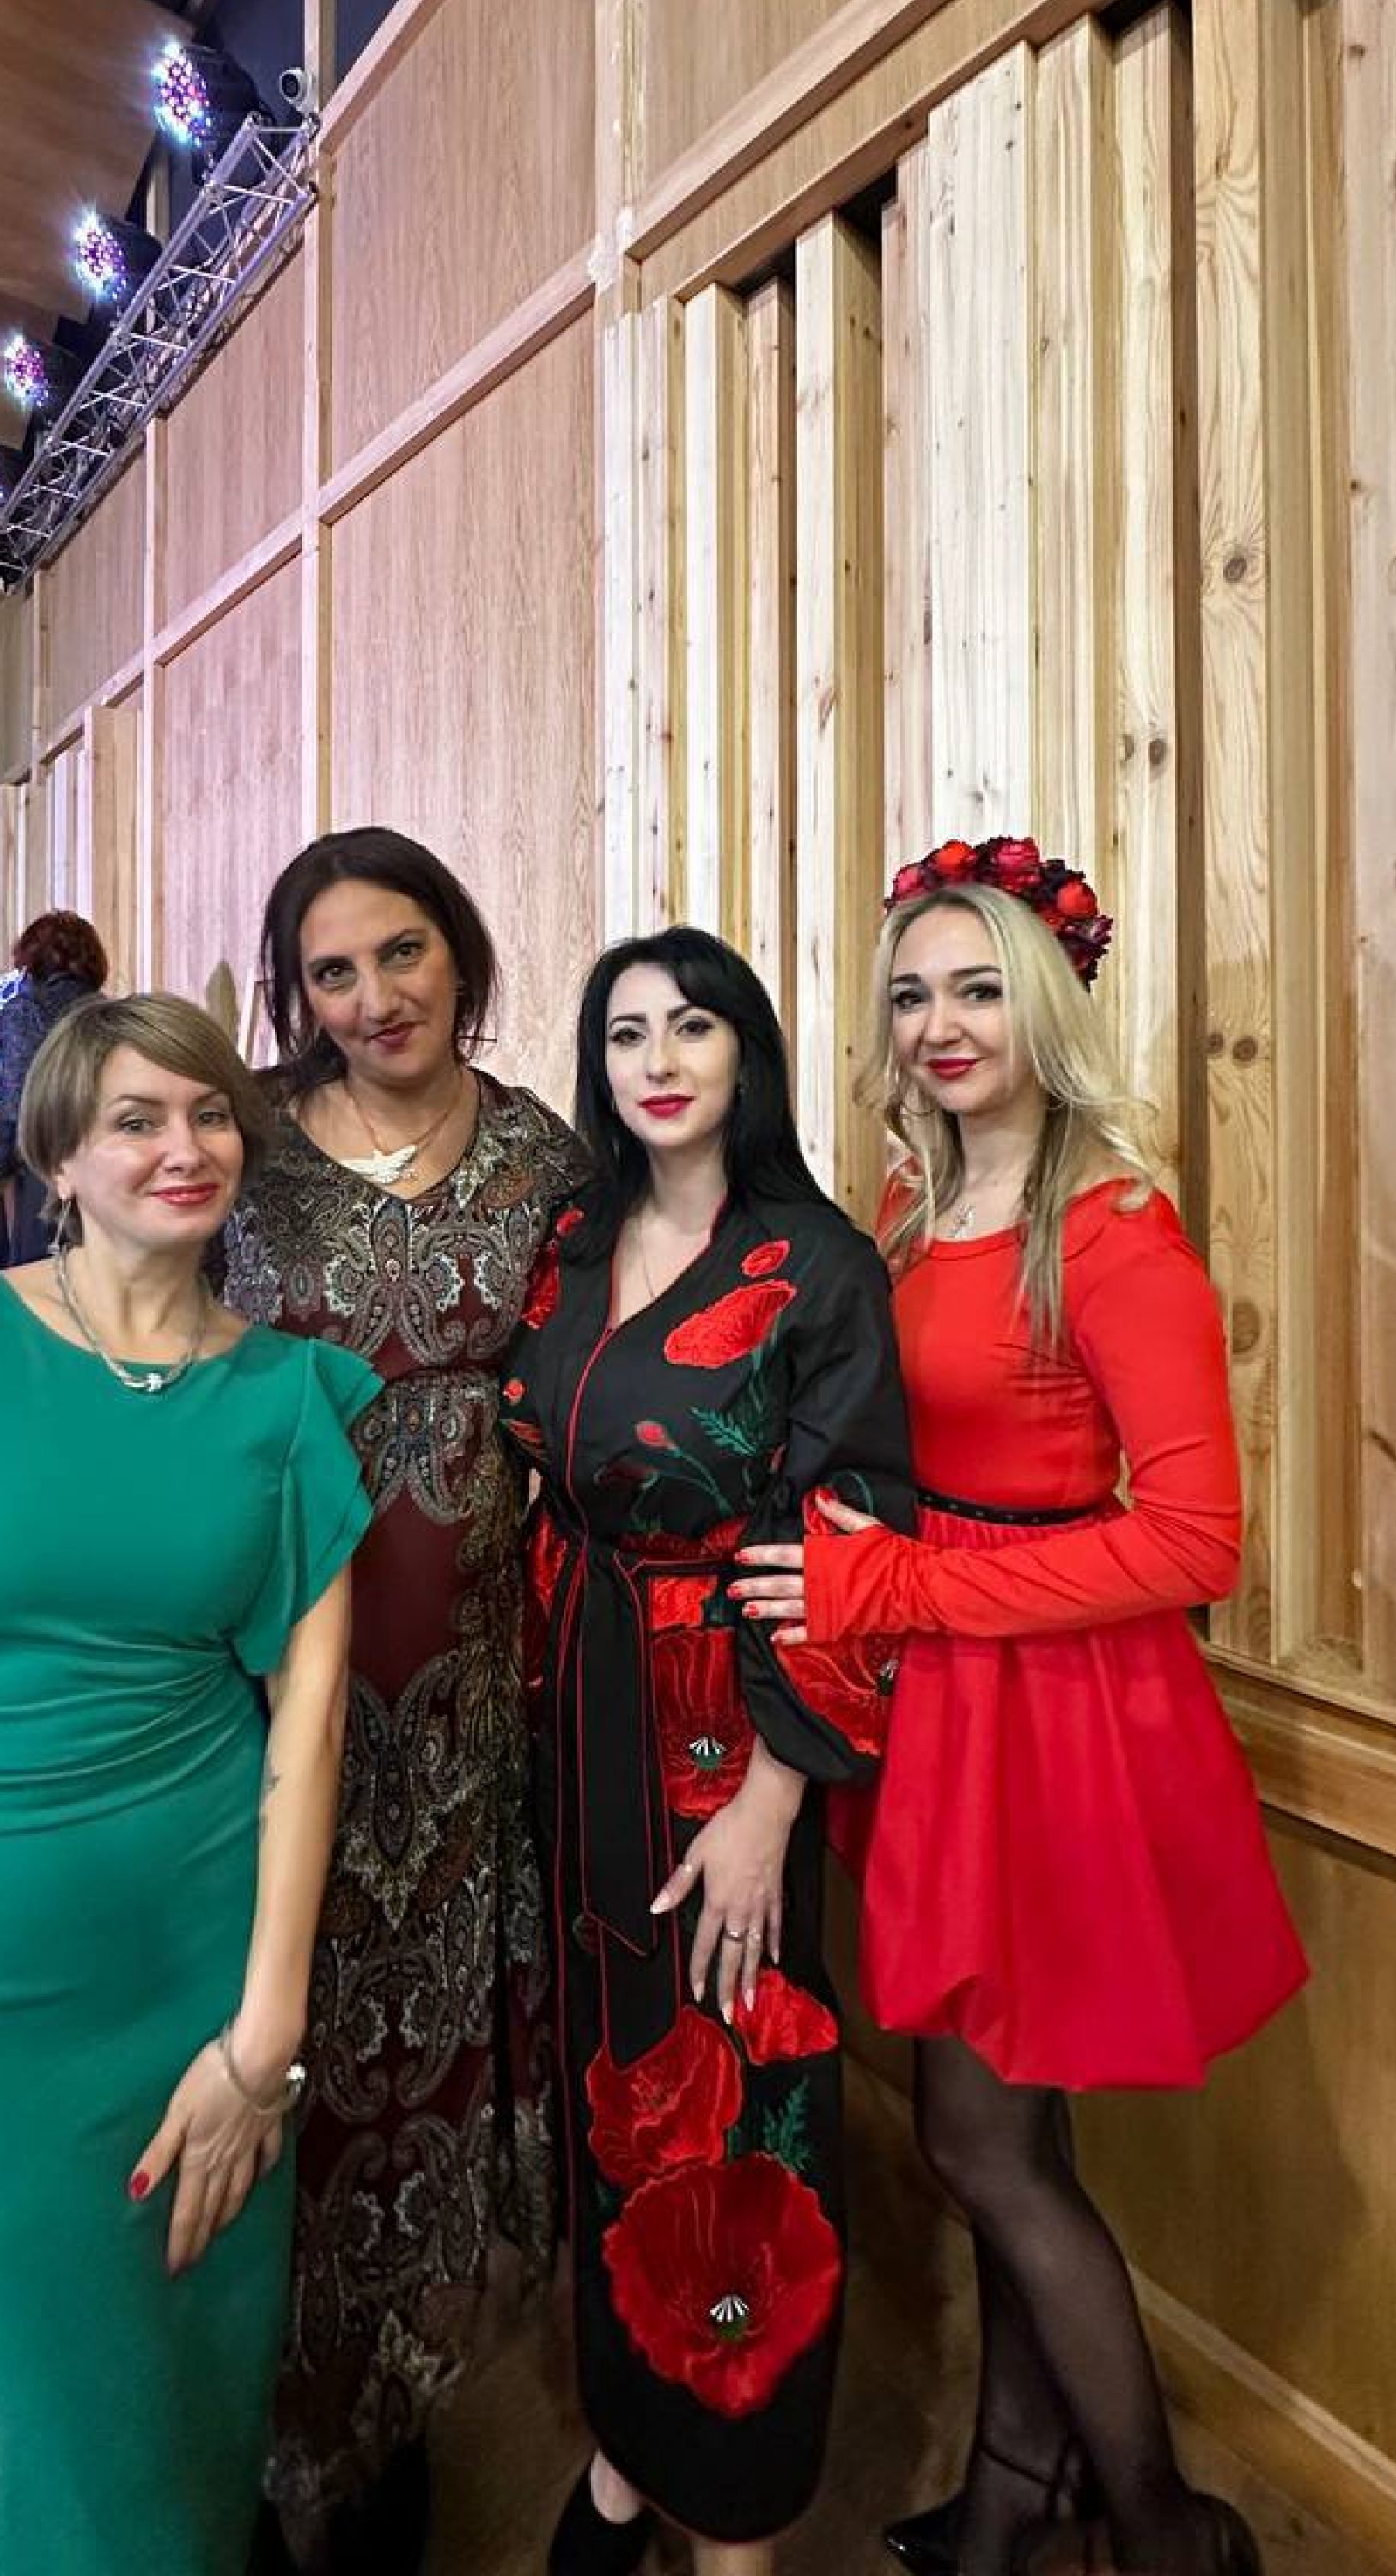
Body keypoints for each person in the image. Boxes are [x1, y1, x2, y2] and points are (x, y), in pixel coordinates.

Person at [735, 836, 1308, 2576]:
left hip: (1061, 1713)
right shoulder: (912, 1209)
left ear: (1046, 1003)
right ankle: (1013, 2488)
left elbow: (1194, 1535)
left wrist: (899, 1588)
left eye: (980, 987)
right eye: (913, 992)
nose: (943, 1023)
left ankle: (1163, 2524)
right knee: (1011, 2124)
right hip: (949, 1703)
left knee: (981, 2138)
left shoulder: (1112, 1227)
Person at [0, 992, 376, 2576]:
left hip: (199, 1996)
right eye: (136, 1119)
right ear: (55, 1159)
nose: (187, 1147)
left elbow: (309, 1729)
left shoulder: (290, 1400)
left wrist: (264, 2042)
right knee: (22, 2449)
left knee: (181, 2439)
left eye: (211, 1113)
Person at [500, 926, 916, 2576]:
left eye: (692, 1026)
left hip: (723, 1743)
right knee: (611, 2084)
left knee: (740, 2108)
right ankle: (625, 2447)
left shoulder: (817, 1265)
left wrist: (771, 1798)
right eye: (624, 1033)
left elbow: (849, 1534)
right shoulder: (573, 1238)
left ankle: (735, 2504)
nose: (657, 1060)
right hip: (579, 1715)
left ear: (748, 1051)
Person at [221, 827, 584, 2574]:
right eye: (334, 969)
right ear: (292, 989)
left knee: (427, 2051)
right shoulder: (241, 1145)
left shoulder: (544, 1153)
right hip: (261, 1675)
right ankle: (261, 2428)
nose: (374, 995)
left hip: (471, 1701)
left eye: (404, 950)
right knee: (269, 2031)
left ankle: (392, 2415)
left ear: (462, 949)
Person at [0, 908, 110, 1264]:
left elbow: (16, 1097)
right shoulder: (108, 1011)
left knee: (38, 1269)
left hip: (42, 1158)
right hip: (101, 1154)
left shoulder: (24, 1010)